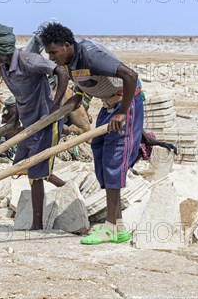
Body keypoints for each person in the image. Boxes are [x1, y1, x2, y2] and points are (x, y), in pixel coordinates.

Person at [40, 22, 144, 245]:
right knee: (98, 151)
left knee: (113, 159)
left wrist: (124, 112)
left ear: (67, 45)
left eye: (53, 52)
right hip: (108, 106)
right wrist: (78, 96)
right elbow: (85, 81)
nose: (51, 57)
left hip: (126, 103)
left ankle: (109, 228)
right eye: (48, 53)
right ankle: (118, 227)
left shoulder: (90, 55)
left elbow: (130, 76)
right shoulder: (69, 61)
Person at [0, 23, 69, 230]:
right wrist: (15, 120)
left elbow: (62, 73)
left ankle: (37, 225)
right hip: (29, 124)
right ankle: (66, 188)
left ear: (1, 49)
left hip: (47, 124)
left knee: (36, 173)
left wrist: (55, 107)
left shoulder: (28, 60)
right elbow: (20, 96)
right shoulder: (3, 68)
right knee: (20, 166)